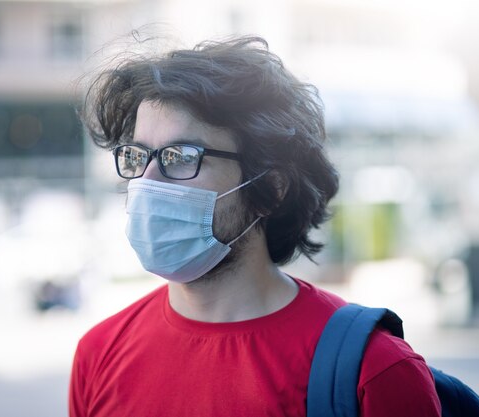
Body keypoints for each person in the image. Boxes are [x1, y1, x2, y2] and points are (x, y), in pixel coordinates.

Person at [70, 36, 441, 417]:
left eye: (180, 156)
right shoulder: (98, 354)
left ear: (270, 189)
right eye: (137, 155)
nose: (147, 180)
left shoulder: (375, 369)